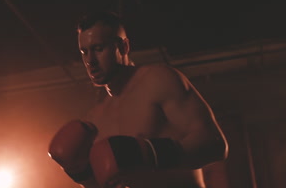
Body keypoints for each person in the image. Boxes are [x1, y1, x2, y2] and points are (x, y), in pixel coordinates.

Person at [48, 12, 228, 188]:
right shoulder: (96, 118)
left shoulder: (158, 80)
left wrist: (149, 153)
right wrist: (80, 173)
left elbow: (215, 144)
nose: (90, 60)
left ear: (123, 47)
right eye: (84, 52)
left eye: (98, 49)